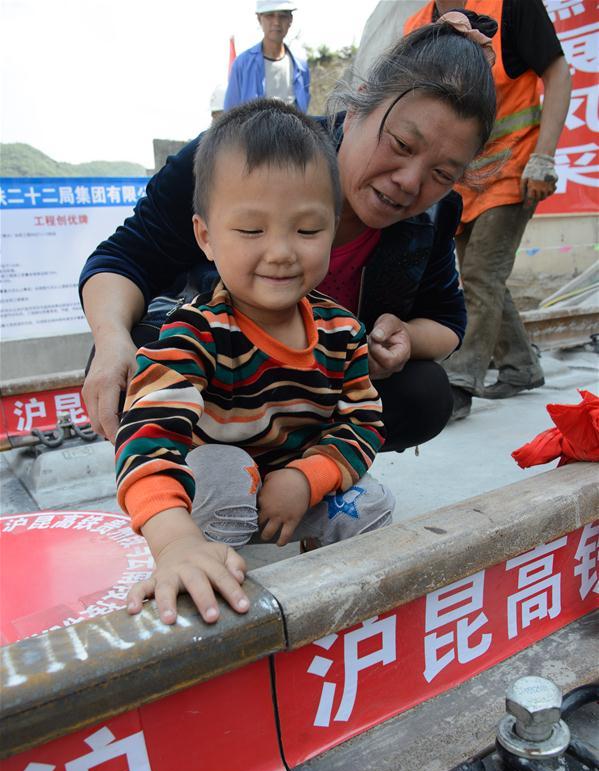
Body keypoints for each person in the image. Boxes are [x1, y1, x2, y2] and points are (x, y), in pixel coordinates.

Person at [80, 16, 497, 456]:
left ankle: (311, 472)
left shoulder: (434, 214)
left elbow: (447, 320)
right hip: (214, 381)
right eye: (400, 145)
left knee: (424, 392)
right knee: (138, 358)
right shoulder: (234, 159)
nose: (410, 182)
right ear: (356, 109)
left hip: (313, 396)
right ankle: (188, 479)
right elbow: (124, 259)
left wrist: (407, 336)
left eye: (442, 173)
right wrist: (111, 341)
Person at [116, 100, 394, 625]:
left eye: (307, 231)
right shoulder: (194, 333)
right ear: (206, 237)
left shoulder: (341, 330)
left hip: (290, 483)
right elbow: (146, 436)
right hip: (221, 480)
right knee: (224, 470)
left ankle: (319, 577)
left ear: (332, 229)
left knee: (374, 503)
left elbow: (362, 422)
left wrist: (307, 478)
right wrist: (174, 540)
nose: (282, 252)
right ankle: (209, 560)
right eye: (251, 231)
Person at [404, 1, 572, 420]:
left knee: (480, 275)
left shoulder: (511, 5)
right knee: (485, 277)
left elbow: (558, 72)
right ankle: (521, 365)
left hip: (514, 166)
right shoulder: (416, 25)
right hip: (456, 177)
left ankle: (459, 382)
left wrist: (544, 157)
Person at [224, 1, 310, 112]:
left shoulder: (301, 67)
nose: (276, 22)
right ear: (259, 19)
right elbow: (229, 116)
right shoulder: (242, 65)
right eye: (270, 15)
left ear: (290, 19)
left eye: (283, 15)